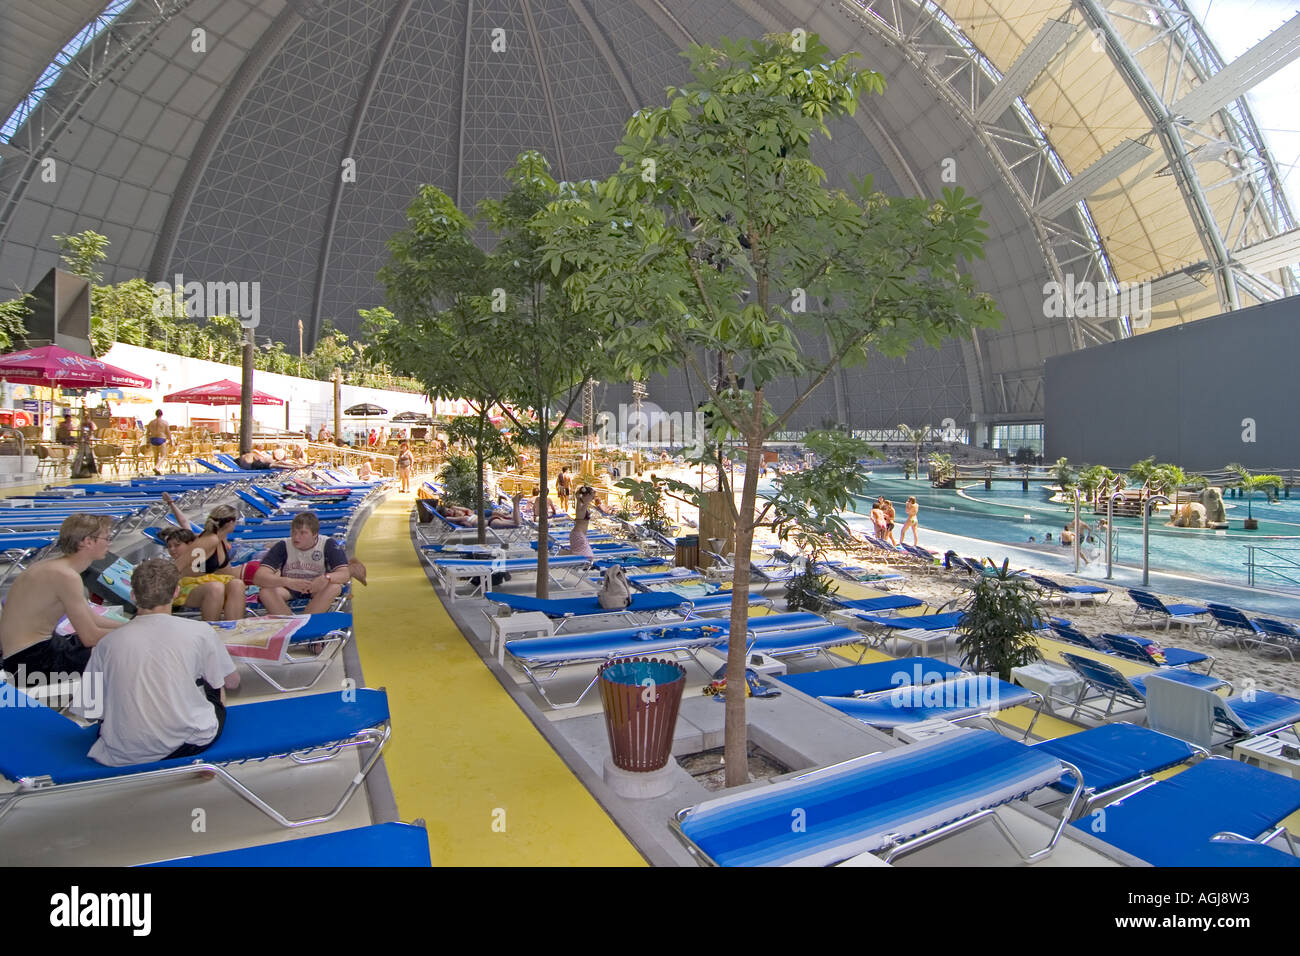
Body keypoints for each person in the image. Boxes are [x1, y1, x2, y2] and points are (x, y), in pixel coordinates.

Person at [73, 558, 238, 766]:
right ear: (176, 592)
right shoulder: (200, 632)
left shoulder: (106, 644)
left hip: (124, 749)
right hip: (188, 744)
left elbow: (90, 711)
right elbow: (231, 682)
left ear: (133, 595)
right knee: (214, 683)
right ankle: (201, 757)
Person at [0, 514, 126, 681]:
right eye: (107, 537)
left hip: (32, 651)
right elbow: (90, 637)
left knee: (121, 642)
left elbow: (93, 619)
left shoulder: (52, 566)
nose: (109, 543)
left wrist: (133, 625)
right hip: (28, 662)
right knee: (121, 654)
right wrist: (135, 632)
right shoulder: (66, 576)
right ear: (87, 541)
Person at [161, 495, 245, 621]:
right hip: (187, 588)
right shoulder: (208, 540)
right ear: (230, 522)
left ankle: (233, 629)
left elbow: (185, 522)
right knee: (216, 587)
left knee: (237, 584)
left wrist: (171, 503)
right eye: (236, 521)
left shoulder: (221, 539)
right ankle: (212, 631)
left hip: (207, 585)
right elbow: (177, 566)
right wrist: (162, 597)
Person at [253, 512, 352, 615]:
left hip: (317, 589)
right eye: (294, 532)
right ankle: (291, 623)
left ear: (314, 534)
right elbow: (259, 578)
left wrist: (326, 578)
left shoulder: (328, 544)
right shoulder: (283, 546)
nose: (296, 537)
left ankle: (304, 621)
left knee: (334, 587)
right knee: (266, 592)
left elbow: (345, 573)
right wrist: (287, 581)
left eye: (302, 533)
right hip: (288, 589)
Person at [565, 485, 605, 559]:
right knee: (588, 557)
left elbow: (582, 500)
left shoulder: (580, 506)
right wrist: (588, 496)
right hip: (578, 535)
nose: (592, 498)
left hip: (578, 534)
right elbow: (587, 501)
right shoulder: (582, 508)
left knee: (584, 556)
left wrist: (580, 496)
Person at [145, 410, 170, 475]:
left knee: (156, 456)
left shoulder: (151, 422)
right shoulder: (165, 422)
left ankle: (156, 470)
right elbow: (168, 433)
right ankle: (157, 467)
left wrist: (147, 442)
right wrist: (171, 441)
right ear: (162, 414)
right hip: (161, 439)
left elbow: (147, 433)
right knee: (163, 455)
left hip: (153, 439)